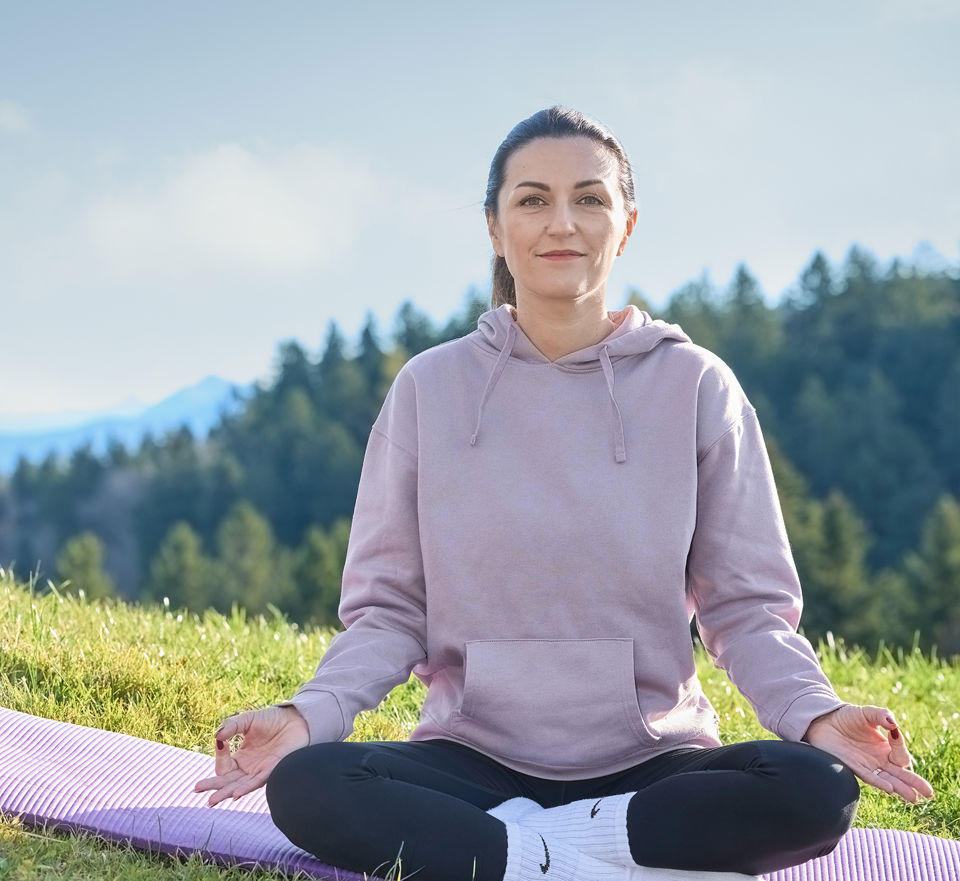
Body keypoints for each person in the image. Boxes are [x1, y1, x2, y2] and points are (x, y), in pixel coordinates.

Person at [193, 107, 934, 881]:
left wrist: (815, 715)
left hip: (651, 761)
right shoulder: (430, 389)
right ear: (494, 226)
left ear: (626, 225)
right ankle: (583, 859)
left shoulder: (695, 385)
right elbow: (389, 610)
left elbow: (745, 606)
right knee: (311, 782)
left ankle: (525, 857)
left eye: (589, 198)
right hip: (470, 761)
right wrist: (309, 715)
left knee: (815, 790)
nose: (562, 224)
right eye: (533, 199)